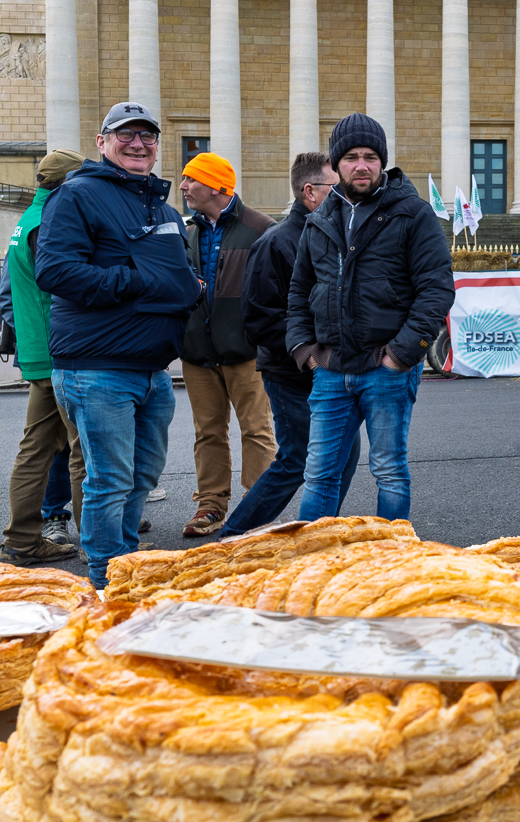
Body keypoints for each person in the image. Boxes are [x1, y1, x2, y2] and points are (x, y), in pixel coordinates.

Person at [36, 101, 203, 588]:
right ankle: (106, 580)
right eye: (125, 135)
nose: (138, 144)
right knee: (109, 479)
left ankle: (124, 559)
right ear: (101, 142)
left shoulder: (162, 205)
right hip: (96, 367)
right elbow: (55, 271)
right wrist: (138, 280)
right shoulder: (77, 195)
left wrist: (186, 286)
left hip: (152, 369)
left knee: (143, 475)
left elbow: (168, 272)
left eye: (147, 136)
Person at [287, 113, 455, 522]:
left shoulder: (412, 214)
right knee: (319, 476)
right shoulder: (320, 219)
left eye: (370, 156)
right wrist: (304, 350)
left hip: (387, 368)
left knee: (389, 472)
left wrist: (401, 355)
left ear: (382, 162)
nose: (361, 165)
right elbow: (298, 291)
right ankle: (315, 568)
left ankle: (392, 568)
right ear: (336, 164)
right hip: (330, 369)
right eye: (350, 157)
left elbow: (437, 289)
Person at [219, 152, 361, 537]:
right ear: (310, 192)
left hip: (332, 372)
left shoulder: (332, 235)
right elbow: (259, 318)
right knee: (298, 459)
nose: (348, 195)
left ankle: (318, 532)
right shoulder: (277, 241)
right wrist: (311, 357)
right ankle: (231, 537)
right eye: (338, 188)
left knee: (345, 456)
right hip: (293, 373)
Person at [179, 152, 277, 536]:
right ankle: (210, 507)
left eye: (191, 179)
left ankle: (260, 508)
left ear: (217, 187)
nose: (183, 187)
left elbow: (277, 292)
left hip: (247, 352)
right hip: (197, 352)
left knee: (256, 430)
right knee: (208, 432)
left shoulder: (261, 228)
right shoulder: (187, 232)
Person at [1, 149, 87, 565]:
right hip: (61, 350)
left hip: (37, 350)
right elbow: (63, 288)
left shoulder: (25, 221)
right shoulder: (49, 223)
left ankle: (21, 538)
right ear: (65, 184)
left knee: (35, 447)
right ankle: (104, 544)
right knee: (84, 447)